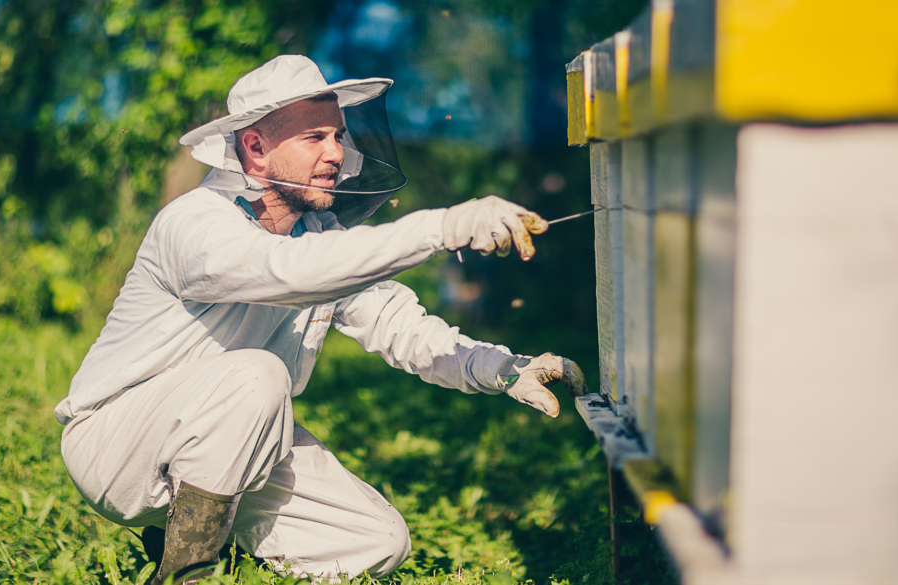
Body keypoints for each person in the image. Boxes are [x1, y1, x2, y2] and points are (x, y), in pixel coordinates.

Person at [54, 55, 587, 585]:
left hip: (230, 442)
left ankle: (205, 545)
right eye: (315, 138)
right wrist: (440, 227)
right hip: (117, 446)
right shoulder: (193, 225)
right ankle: (184, 577)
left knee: (376, 541)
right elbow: (287, 272)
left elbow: (400, 326)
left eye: (338, 135)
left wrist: (503, 367)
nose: (337, 153)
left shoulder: (317, 232)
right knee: (258, 374)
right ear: (255, 149)